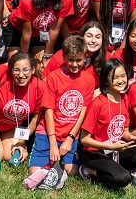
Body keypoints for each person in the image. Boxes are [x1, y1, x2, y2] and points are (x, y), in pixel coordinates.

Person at [78, 58, 136, 188]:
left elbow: (124, 131)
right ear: (106, 79)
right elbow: (84, 139)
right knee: (122, 179)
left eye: (123, 76)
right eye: (115, 77)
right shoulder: (98, 103)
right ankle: (88, 170)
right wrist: (112, 147)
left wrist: (132, 138)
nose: (120, 81)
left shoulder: (124, 98)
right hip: (95, 151)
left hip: (114, 148)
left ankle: (115, 166)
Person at [30, 35, 94, 176]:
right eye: (70, 60)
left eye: (79, 60)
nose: (75, 64)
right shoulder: (54, 77)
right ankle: (51, 165)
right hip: (48, 131)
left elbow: (83, 111)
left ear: (85, 58)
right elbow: (48, 110)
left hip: (71, 132)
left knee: (72, 171)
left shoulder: (89, 80)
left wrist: (70, 138)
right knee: (35, 172)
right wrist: (53, 143)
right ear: (64, 57)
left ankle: (57, 167)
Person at [6, 0, 72, 67]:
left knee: (41, 68)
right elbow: (26, 33)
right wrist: (24, 59)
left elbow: (54, 29)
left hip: (40, 33)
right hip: (18, 31)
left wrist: (47, 55)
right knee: (17, 66)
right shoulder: (28, 1)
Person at [0, 50, 43, 166]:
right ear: (11, 71)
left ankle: (23, 148)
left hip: (12, 127)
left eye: (26, 69)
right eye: (16, 70)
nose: (21, 75)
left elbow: (35, 119)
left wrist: (21, 141)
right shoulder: (3, 78)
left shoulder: (39, 86)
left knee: (9, 156)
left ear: (33, 70)